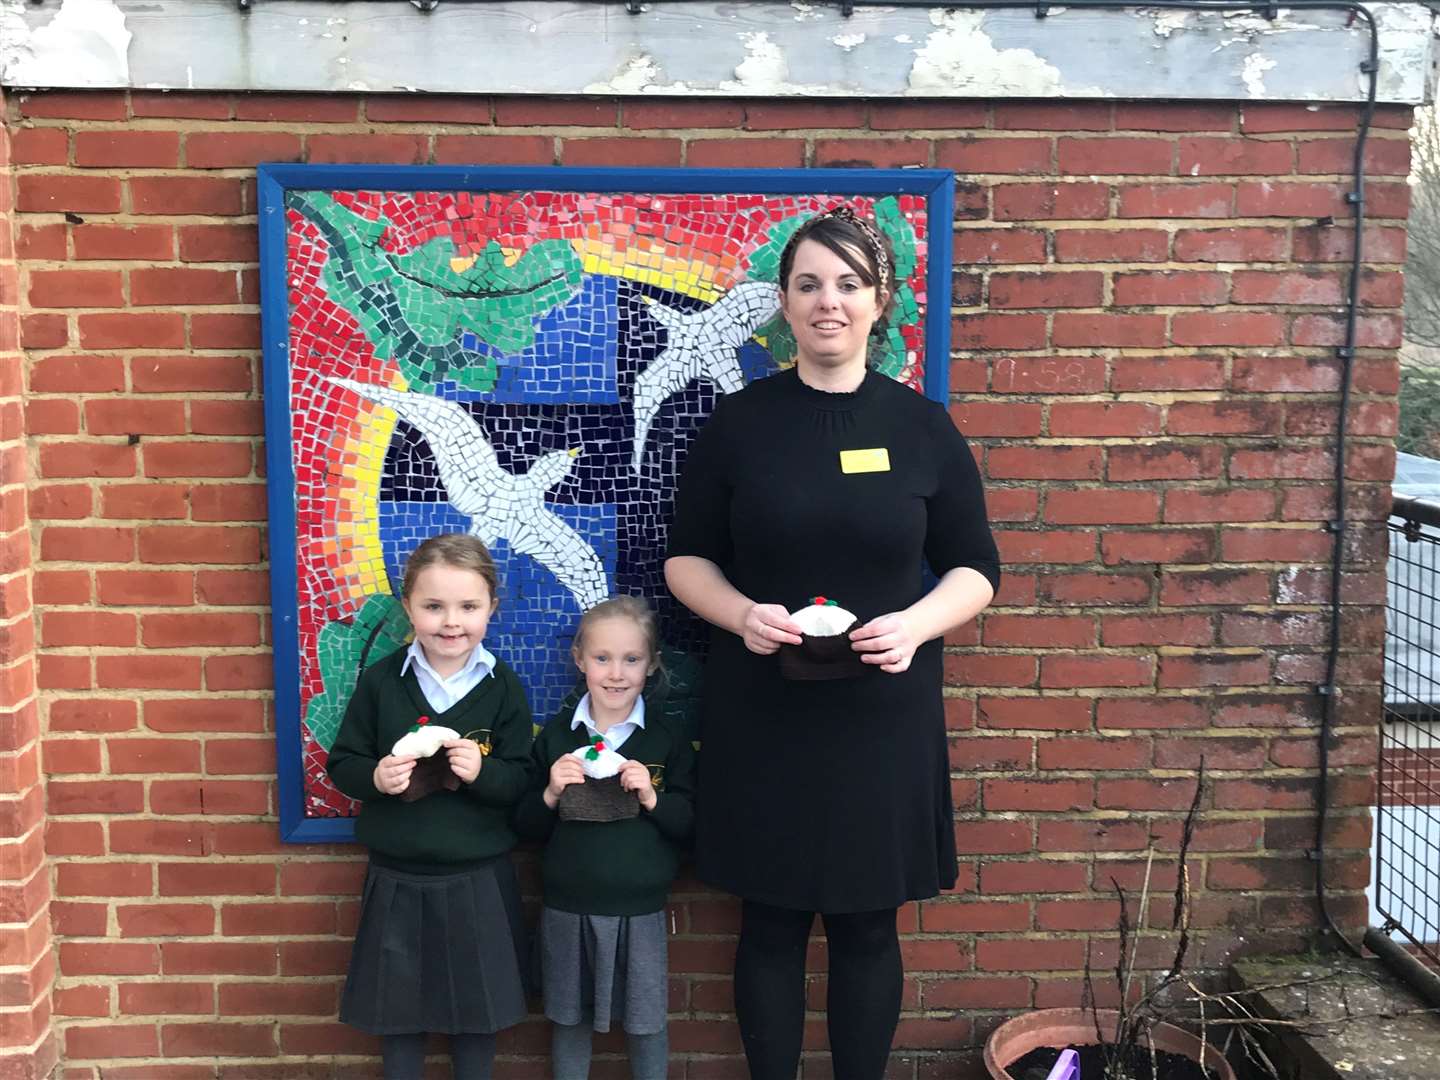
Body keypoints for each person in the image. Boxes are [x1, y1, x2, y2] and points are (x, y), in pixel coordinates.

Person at [664, 205, 1001, 1079]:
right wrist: (741, 614)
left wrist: (917, 623)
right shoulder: (740, 424)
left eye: (849, 285)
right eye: (810, 284)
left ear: (881, 301)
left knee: (866, 923)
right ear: (783, 299)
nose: (829, 303)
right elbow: (685, 560)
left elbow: (975, 568)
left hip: (881, 715)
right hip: (763, 709)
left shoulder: (922, 428)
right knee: (768, 921)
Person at [326, 533, 533, 1080]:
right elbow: (343, 762)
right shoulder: (382, 683)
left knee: (475, 1017)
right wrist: (374, 775)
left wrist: (482, 773)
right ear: (408, 607)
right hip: (398, 876)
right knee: (399, 1019)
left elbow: (521, 781)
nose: (451, 622)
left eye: (468, 606)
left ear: (492, 607)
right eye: (433, 606)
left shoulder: (503, 687)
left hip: (477, 877)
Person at [514, 595, 696, 1080]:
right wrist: (551, 791)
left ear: (651, 664)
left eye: (631, 659)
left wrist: (652, 797)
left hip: (640, 911)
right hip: (567, 906)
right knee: (568, 1019)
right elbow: (526, 827)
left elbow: (689, 823)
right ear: (580, 660)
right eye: (602, 658)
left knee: (645, 1022)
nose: (616, 673)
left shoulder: (664, 740)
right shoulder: (556, 737)